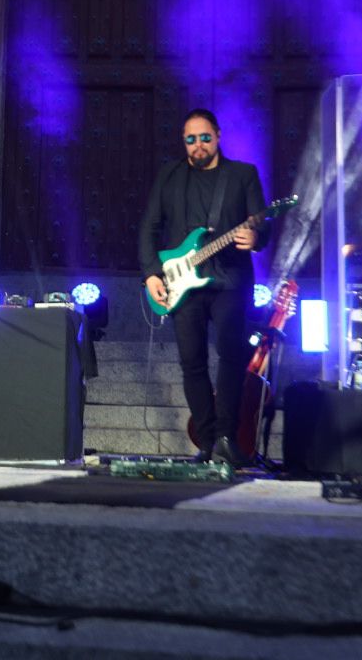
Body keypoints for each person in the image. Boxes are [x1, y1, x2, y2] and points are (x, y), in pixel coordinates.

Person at [139, 108, 268, 467]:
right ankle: (208, 443)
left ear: (218, 136)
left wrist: (256, 237)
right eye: (191, 140)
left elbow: (262, 223)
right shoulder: (170, 175)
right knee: (192, 363)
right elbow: (149, 226)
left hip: (230, 280)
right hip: (183, 283)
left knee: (231, 356)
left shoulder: (242, 175)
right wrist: (151, 274)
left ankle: (227, 438)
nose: (198, 145)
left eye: (205, 138)